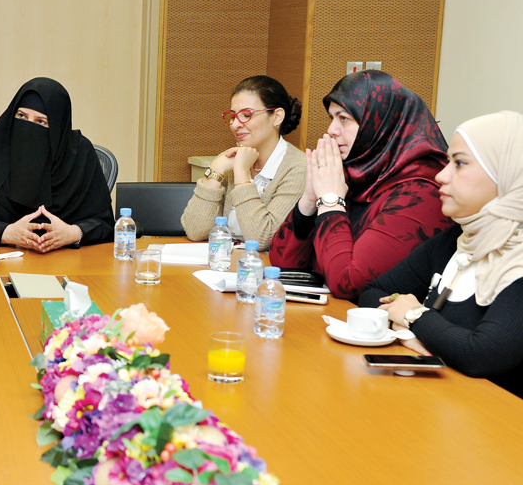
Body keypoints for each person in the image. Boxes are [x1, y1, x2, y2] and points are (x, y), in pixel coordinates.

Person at [360, 111, 523, 397]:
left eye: (459, 163)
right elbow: (373, 293)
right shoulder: (458, 238)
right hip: (438, 402)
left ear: (505, 172)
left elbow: (481, 355)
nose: (441, 175)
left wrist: (414, 316)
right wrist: (412, 331)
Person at [269, 71, 452, 300]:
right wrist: (308, 200)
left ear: (382, 123)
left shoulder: (422, 193)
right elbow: (283, 265)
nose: (332, 130)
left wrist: (331, 202)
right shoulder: (356, 175)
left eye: (344, 118)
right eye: (332, 118)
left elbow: (348, 283)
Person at [0, 77, 114, 253]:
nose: (28, 128)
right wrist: (6, 232)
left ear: (58, 128)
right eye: (21, 116)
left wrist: (73, 233)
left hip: (68, 260)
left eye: (41, 122)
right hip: (0, 258)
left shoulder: (80, 155)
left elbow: (104, 223)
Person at [181, 75, 306, 250]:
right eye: (233, 116)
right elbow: (195, 231)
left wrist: (241, 174)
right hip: (226, 260)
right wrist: (215, 171)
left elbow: (263, 239)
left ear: (277, 117)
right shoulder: (230, 159)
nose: (235, 125)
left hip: (263, 265)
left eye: (246, 115)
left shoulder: (299, 168)